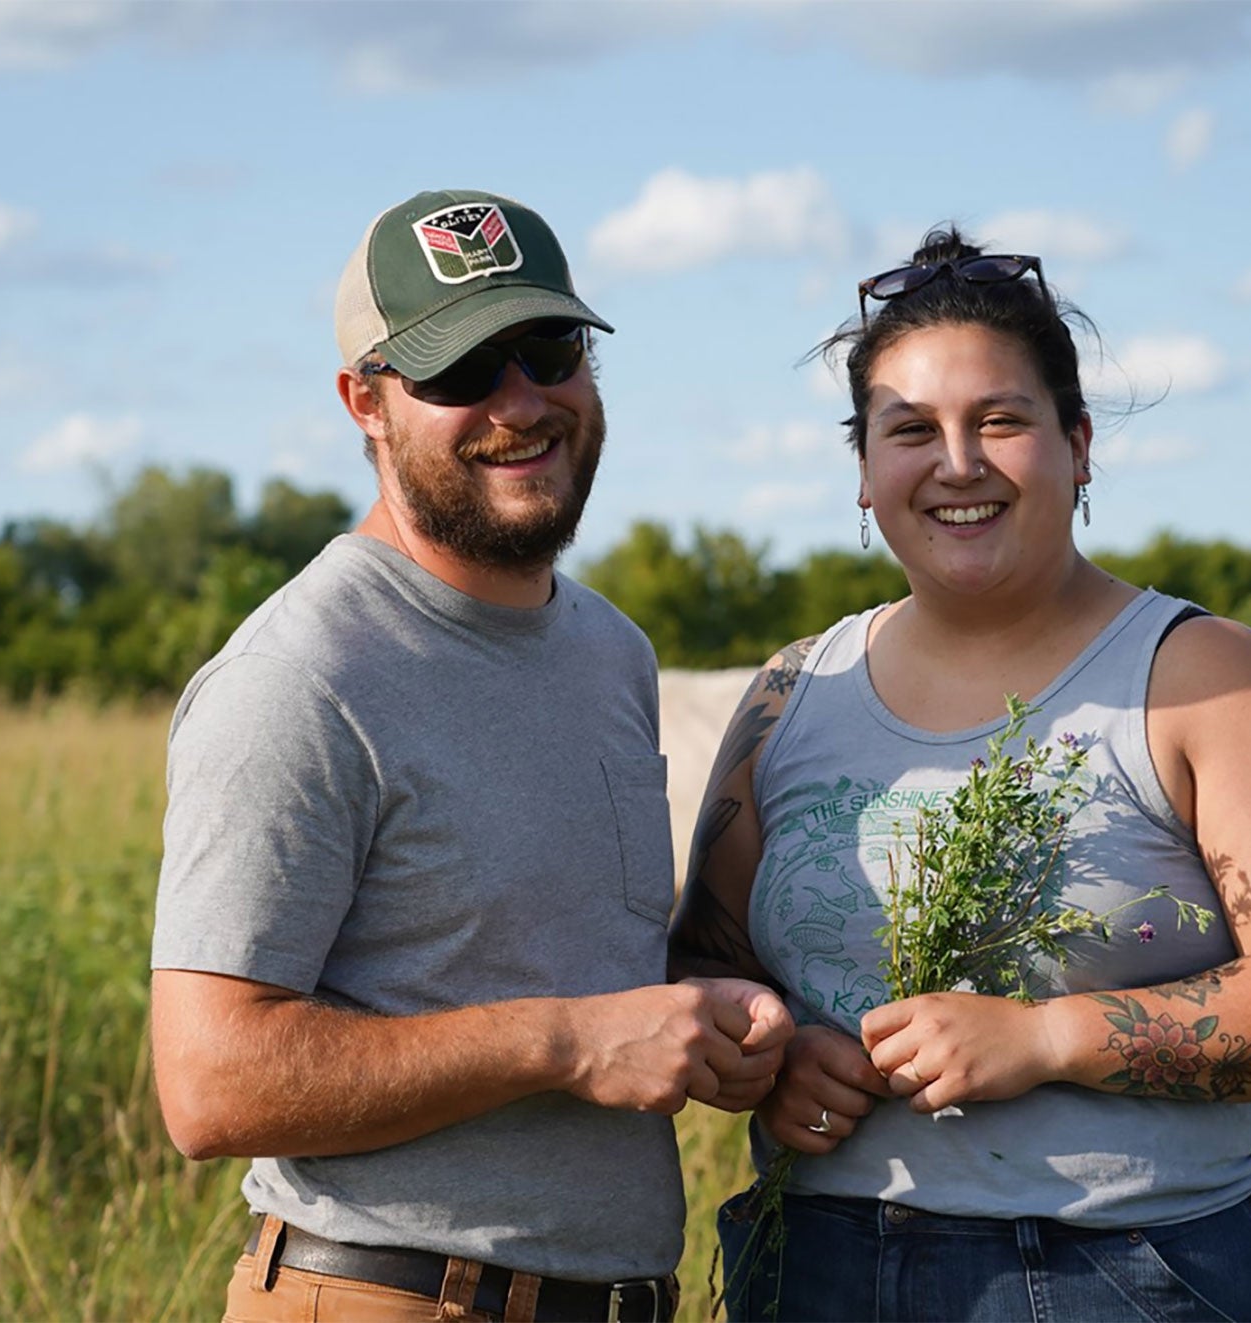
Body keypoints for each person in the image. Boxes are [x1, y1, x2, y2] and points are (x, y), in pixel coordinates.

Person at [668, 228, 1251, 1322]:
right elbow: (709, 963)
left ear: (1077, 445)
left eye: (999, 421)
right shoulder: (792, 695)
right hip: (817, 1263)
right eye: (910, 430)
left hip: (1129, 1269)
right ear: (865, 474)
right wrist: (775, 1056)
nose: (956, 463)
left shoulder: (1205, 678)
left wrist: (1046, 1038)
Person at [150, 188, 791, 1323]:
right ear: (365, 401)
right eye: (459, 372)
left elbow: (575, 975)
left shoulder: (610, 652)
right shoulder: (300, 677)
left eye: (549, 350)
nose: (521, 402)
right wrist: (567, 1042)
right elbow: (209, 1084)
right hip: (391, 1293)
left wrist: (706, 1020)